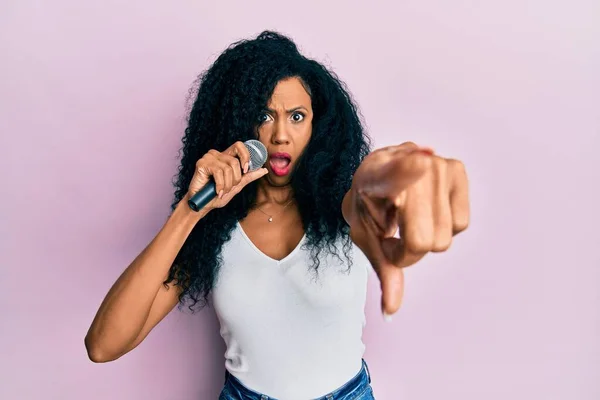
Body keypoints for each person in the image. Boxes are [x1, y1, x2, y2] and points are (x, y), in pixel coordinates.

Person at [84, 31, 469, 400]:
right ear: (240, 124)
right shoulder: (214, 228)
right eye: (265, 116)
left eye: (297, 117)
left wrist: (404, 175)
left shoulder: (347, 204)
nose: (281, 135)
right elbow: (104, 345)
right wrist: (189, 210)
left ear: (319, 125)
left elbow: (380, 199)